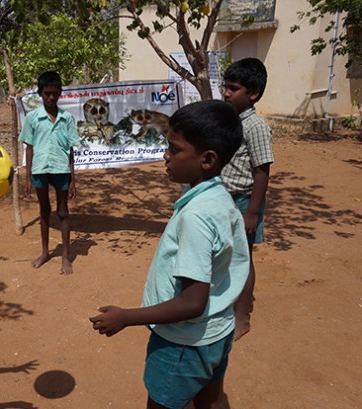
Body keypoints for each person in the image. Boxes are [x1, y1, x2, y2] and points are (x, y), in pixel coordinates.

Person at [89, 100, 250, 409]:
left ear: (207, 160)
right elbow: (243, 262)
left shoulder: (197, 217)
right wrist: (240, 313)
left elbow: (192, 302)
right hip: (218, 331)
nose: (165, 155)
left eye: (174, 149)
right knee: (212, 398)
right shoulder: (222, 199)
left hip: (183, 343)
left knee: (162, 403)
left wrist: (126, 317)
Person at [222, 58, 274, 341]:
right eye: (225, 87)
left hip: (243, 202)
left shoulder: (255, 126)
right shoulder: (229, 119)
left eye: (233, 89)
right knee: (220, 255)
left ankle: (242, 317)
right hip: (222, 199)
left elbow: (262, 170)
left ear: (252, 94)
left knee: (242, 259)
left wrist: (252, 213)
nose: (227, 93)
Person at [19, 71, 81, 275]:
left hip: (61, 169)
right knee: (44, 211)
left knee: (63, 212)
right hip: (39, 170)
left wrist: (73, 179)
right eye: (47, 93)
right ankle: (45, 252)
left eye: (55, 93)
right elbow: (29, 147)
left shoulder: (67, 119)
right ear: (40, 93)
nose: (51, 97)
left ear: (60, 93)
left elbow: (71, 149)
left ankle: (65, 256)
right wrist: (27, 178)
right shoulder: (32, 117)